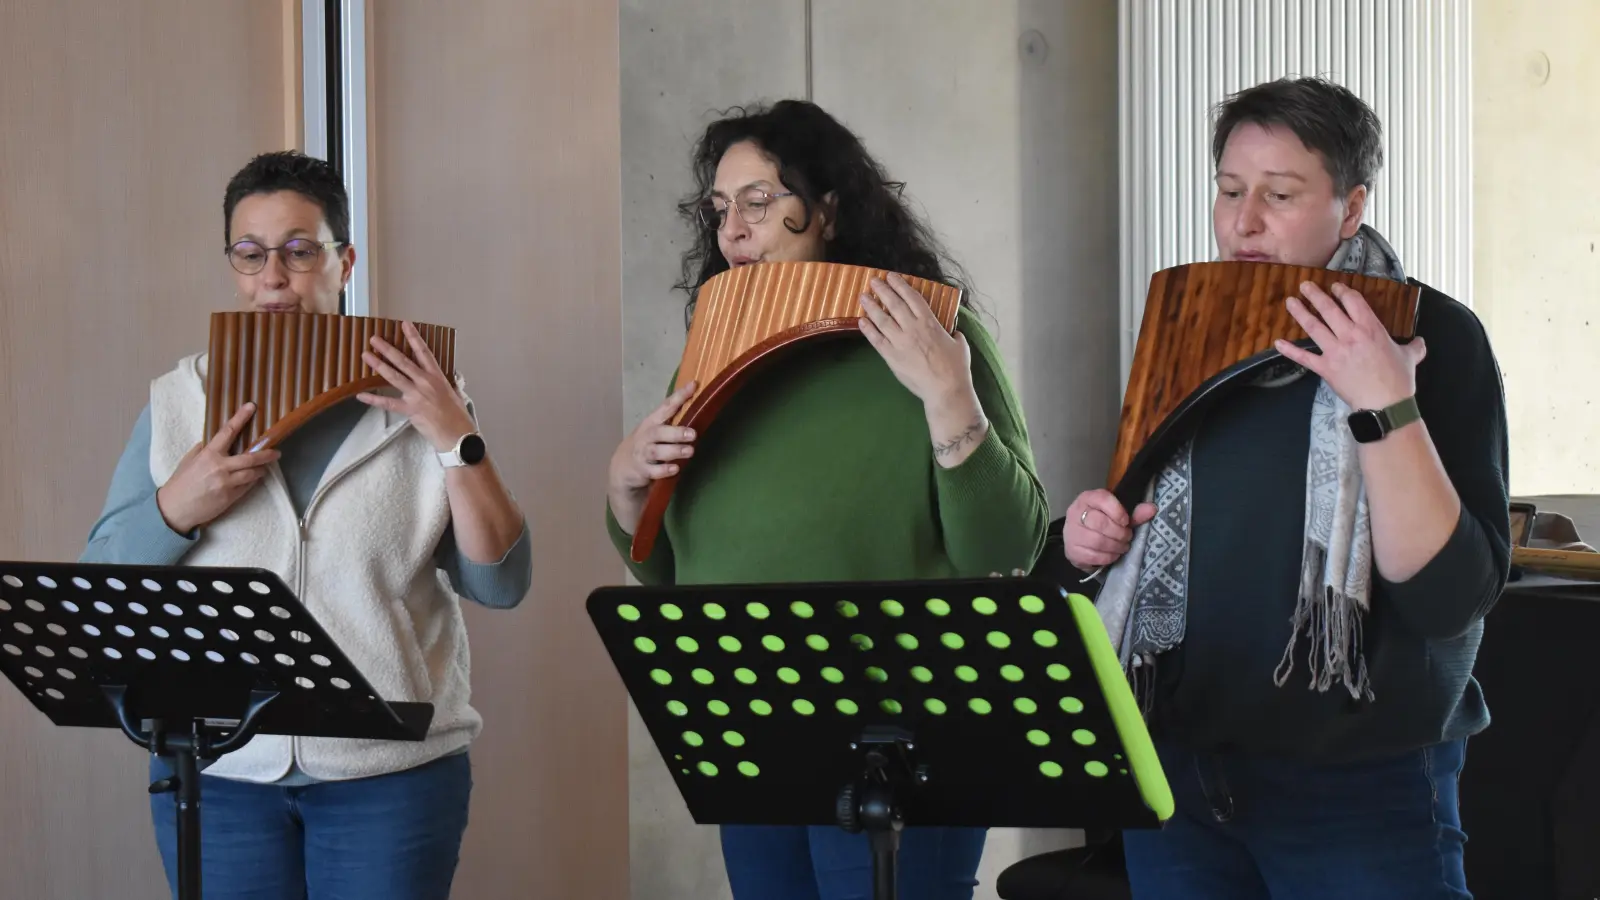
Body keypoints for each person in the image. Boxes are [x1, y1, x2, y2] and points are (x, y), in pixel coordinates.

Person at [1057, 77, 1509, 899]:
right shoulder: (1183, 326)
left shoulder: (1434, 336)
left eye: (1281, 194)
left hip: (1360, 786)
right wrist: (1089, 535)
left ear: (1351, 205)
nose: (1243, 221)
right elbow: (1136, 530)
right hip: (1180, 776)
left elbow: (1451, 597)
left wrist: (1386, 403)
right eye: (1230, 190)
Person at [605, 99, 1049, 900]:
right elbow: (668, 573)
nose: (731, 232)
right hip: (757, 719)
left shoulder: (939, 339)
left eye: (758, 202)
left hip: (910, 730)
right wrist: (626, 485)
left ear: (830, 210)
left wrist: (951, 396)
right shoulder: (712, 354)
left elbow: (1007, 550)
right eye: (719, 209)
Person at [81, 149, 532, 900]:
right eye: (250, 254)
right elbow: (100, 584)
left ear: (344, 260)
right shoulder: (176, 402)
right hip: (220, 769)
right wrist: (177, 508)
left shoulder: (426, 399)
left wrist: (456, 439)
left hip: (387, 776)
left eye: (299, 252)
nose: (273, 279)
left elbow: (502, 581)